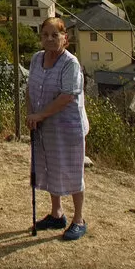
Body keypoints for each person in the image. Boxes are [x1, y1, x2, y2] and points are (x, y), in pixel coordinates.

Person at [26, 17, 90, 241]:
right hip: (44, 125)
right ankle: (57, 214)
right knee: (49, 166)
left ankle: (79, 219)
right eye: (46, 35)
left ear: (66, 38)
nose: (50, 39)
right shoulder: (37, 59)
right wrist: (31, 114)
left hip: (67, 127)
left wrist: (40, 114)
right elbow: (29, 88)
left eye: (55, 35)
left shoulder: (70, 63)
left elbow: (67, 95)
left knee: (71, 170)